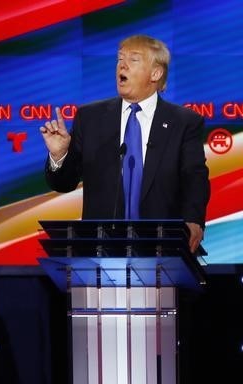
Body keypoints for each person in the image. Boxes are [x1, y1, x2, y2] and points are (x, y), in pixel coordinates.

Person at [40, 34, 210, 253]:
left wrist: (193, 220)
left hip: (162, 251)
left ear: (155, 74)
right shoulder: (90, 118)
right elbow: (64, 183)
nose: (122, 65)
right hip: (99, 252)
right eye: (120, 59)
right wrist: (60, 156)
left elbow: (194, 177)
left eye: (134, 59)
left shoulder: (184, 122)